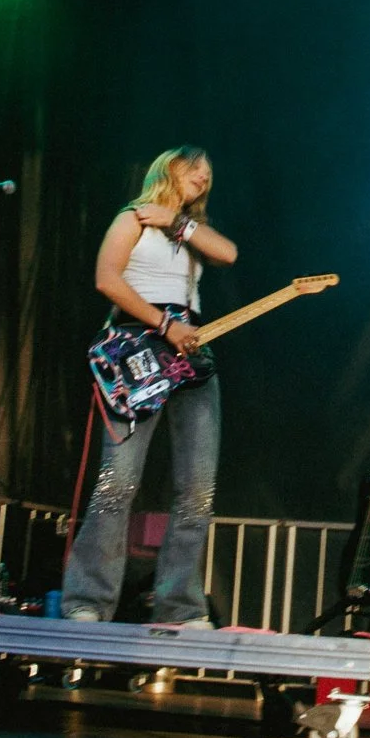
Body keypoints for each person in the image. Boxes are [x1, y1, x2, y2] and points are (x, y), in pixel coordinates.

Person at [61, 146, 238, 627]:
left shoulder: (187, 231)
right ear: (168, 168)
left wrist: (177, 221)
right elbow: (107, 280)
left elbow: (228, 253)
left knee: (197, 491)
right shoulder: (132, 218)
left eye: (209, 171)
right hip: (140, 349)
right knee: (117, 482)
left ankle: (180, 606)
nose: (204, 175)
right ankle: (86, 601)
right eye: (194, 166)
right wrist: (163, 324)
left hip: (191, 356)